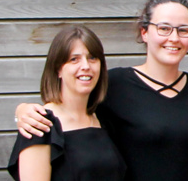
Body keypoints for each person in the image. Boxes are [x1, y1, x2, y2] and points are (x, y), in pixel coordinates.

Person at [14, 0, 188, 180]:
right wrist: (22, 111)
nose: (174, 38)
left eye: (183, 30)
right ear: (144, 32)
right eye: (164, 28)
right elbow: (67, 105)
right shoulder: (114, 85)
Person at [7, 25, 126, 180]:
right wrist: (21, 109)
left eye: (92, 58)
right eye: (74, 59)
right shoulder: (40, 125)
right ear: (58, 69)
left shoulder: (102, 118)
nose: (85, 66)